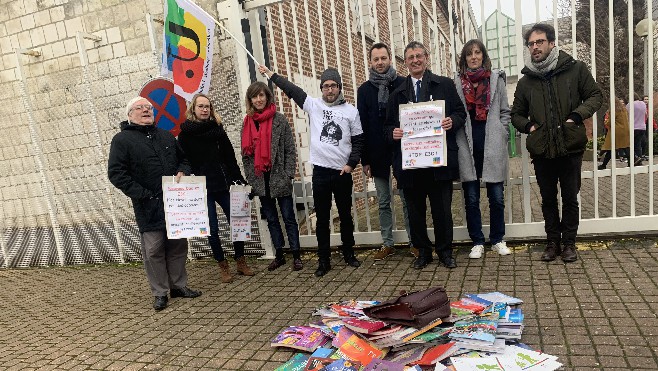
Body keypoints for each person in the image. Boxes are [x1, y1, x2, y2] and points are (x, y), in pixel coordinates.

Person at [258, 64, 364, 277]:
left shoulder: (351, 111)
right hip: (321, 173)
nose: (329, 90)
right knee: (322, 218)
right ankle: (323, 260)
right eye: (325, 86)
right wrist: (271, 75)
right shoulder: (313, 105)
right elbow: (292, 90)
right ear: (321, 88)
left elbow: (359, 141)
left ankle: (349, 253)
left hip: (342, 172)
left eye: (333, 86)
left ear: (339, 87)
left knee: (345, 215)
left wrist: (351, 164)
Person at [511, 23, 602, 263]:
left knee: (570, 197)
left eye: (539, 42)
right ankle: (552, 242)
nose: (535, 47)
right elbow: (516, 114)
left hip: (570, 146)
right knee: (548, 199)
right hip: (542, 150)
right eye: (531, 44)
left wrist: (576, 115)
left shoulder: (575, 69)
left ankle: (569, 243)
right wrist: (529, 127)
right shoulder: (525, 81)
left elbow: (595, 95)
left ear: (552, 43)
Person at [108, 97, 201, 311]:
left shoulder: (165, 135)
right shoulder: (122, 140)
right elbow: (116, 174)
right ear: (130, 115)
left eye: (149, 107)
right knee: (154, 250)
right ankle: (160, 292)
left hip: (175, 204)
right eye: (139, 108)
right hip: (148, 205)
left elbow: (184, 160)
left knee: (178, 246)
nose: (146, 110)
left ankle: (178, 286)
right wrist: (142, 194)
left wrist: (183, 171)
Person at [385, 41, 466, 270]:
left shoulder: (445, 85)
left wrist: (452, 121)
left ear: (426, 57)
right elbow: (387, 127)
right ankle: (423, 252)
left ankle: (445, 252)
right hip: (411, 164)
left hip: (438, 160)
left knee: (442, 210)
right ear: (405, 62)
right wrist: (393, 132)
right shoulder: (397, 94)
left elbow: (461, 113)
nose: (415, 60)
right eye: (410, 57)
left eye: (418, 55)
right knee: (415, 212)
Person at [177, 93, 255, 283]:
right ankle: (222, 265)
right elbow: (183, 160)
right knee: (212, 228)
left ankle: (240, 261)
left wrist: (239, 180)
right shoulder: (185, 134)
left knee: (238, 222)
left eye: (208, 107)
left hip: (223, 184)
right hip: (202, 188)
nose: (205, 109)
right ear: (193, 109)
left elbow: (230, 158)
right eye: (201, 106)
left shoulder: (218, 130)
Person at [454, 39, 512, 259]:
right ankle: (477, 241)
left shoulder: (495, 79)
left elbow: (505, 111)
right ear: (464, 58)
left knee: (496, 197)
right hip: (467, 145)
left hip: (492, 144)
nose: (474, 57)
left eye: (477, 53)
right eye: (469, 54)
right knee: (471, 198)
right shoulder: (457, 83)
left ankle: (497, 239)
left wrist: (502, 131)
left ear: (483, 56)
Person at [356, 42, 416, 260]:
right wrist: (365, 160)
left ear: (390, 59)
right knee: (383, 201)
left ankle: (414, 241)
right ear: (370, 62)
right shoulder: (364, 90)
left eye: (383, 58)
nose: (380, 62)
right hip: (377, 152)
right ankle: (388, 243)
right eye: (376, 59)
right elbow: (361, 126)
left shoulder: (403, 83)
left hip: (402, 150)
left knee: (407, 198)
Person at [241, 81, 303, 271]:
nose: (259, 99)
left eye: (262, 95)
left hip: (279, 177)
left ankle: (296, 255)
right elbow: (246, 155)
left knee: (288, 217)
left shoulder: (280, 120)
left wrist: (287, 175)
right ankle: (279, 254)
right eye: (255, 96)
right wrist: (252, 178)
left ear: (267, 97)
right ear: (250, 100)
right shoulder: (247, 122)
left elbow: (289, 151)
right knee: (271, 219)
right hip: (260, 179)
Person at [598, 97, 630, 170]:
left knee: (611, 147)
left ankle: (604, 164)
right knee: (625, 146)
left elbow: (610, 121)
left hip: (616, 130)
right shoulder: (624, 109)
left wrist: (606, 122)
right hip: (625, 130)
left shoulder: (614, 110)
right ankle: (632, 161)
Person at [628, 93, 648, 166]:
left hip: (633, 127)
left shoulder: (630, 105)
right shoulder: (643, 104)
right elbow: (646, 114)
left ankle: (634, 159)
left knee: (630, 144)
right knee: (638, 144)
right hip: (642, 127)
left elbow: (626, 115)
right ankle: (639, 159)